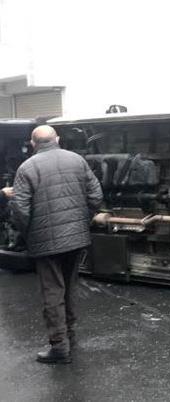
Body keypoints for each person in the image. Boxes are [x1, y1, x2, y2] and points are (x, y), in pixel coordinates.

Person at [11, 125, 103, 364]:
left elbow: (20, 210)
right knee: (69, 287)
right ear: (57, 139)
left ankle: (59, 346)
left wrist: (29, 234)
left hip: (45, 244)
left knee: (53, 292)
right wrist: (82, 221)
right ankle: (69, 335)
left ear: (33, 143)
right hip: (76, 238)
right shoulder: (77, 160)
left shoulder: (26, 168)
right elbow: (96, 196)